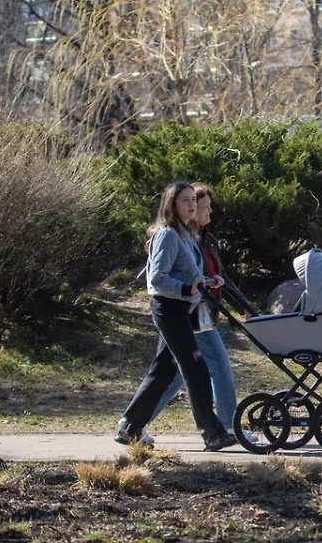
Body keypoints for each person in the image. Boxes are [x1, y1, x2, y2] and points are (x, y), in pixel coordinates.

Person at [114, 181, 237, 451]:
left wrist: (207, 281)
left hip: (182, 308)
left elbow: (187, 276)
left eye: (193, 199)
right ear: (171, 205)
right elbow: (157, 279)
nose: (192, 205)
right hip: (169, 309)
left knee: (163, 371)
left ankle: (130, 428)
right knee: (196, 368)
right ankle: (213, 432)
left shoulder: (186, 234)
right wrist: (185, 288)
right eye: (185, 200)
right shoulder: (168, 234)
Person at [142, 183, 260, 441]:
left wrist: (243, 306)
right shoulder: (174, 236)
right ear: (178, 205)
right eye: (198, 204)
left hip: (195, 311)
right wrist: (190, 289)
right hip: (188, 312)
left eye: (202, 204)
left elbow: (215, 276)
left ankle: (133, 423)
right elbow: (161, 278)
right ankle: (226, 428)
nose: (206, 210)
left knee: (172, 373)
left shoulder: (202, 239)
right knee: (212, 367)